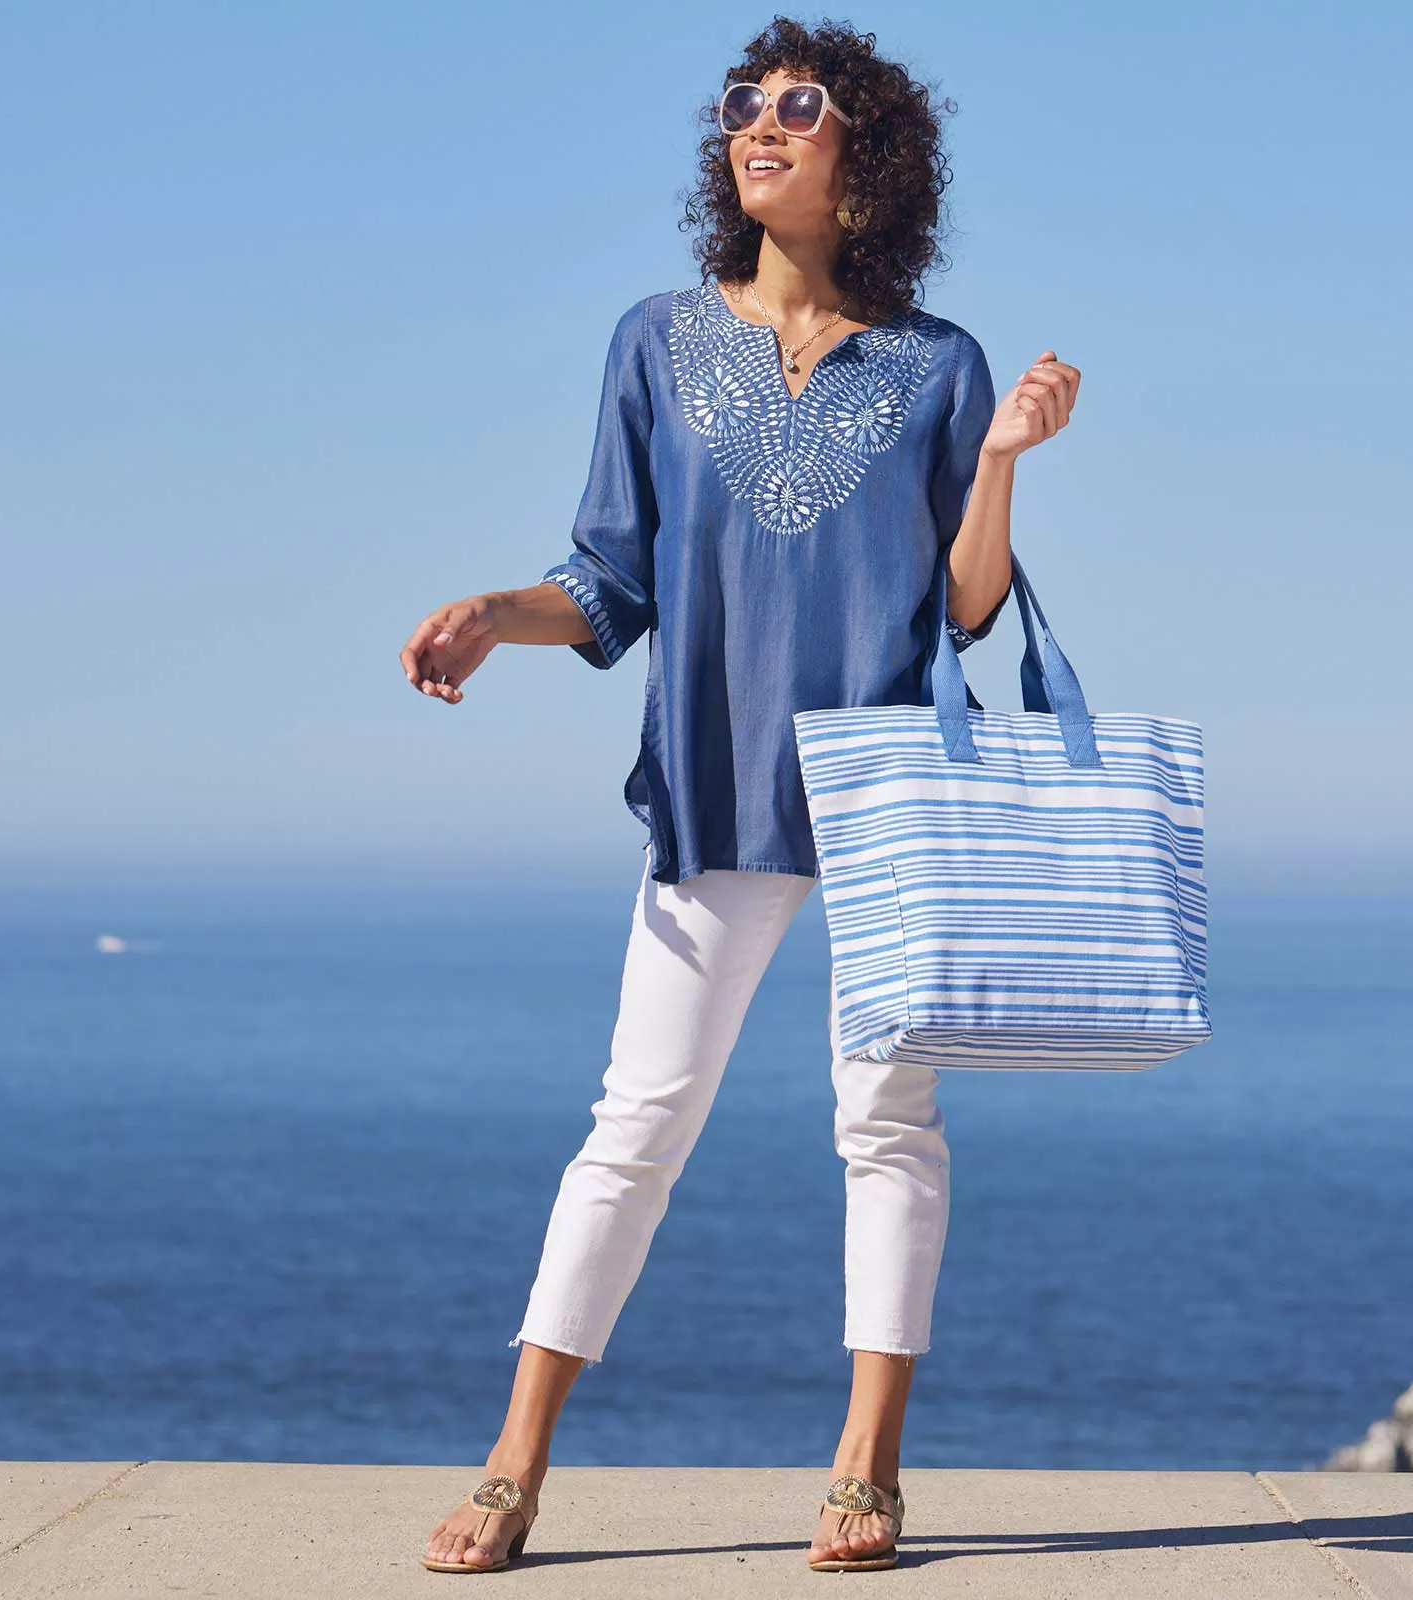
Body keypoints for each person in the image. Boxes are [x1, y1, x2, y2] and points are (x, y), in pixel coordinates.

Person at [402, 17, 1079, 1576]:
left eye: (798, 104)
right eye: (740, 106)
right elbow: (609, 576)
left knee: (885, 1126)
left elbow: (969, 614)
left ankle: (867, 1468)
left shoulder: (940, 365)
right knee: (634, 1126)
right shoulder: (653, 339)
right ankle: (515, 1464)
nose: (757, 124)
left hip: (894, 784)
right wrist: (497, 619)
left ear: (870, 155)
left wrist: (1005, 462)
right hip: (716, 775)